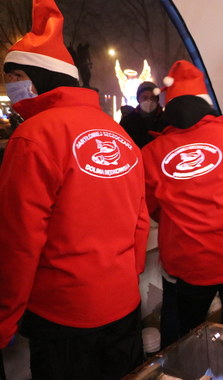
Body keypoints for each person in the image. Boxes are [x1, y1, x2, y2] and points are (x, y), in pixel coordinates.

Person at [0, 0, 150, 378]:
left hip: (63, 316)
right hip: (123, 307)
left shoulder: (33, 136)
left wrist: (5, 318)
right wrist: (121, 281)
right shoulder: (116, 132)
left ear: (40, 77)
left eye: (15, 75)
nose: (10, 87)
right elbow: (140, 218)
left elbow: (18, 239)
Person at [141, 60, 223, 338]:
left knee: (191, 337)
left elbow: (153, 208)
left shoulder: (152, 152)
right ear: (205, 103)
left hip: (191, 263)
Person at [120, 81, 165, 148]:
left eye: (152, 98)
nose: (149, 101)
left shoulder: (165, 120)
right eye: (144, 97)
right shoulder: (127, 122)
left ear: (157, 100)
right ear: (138, 99)